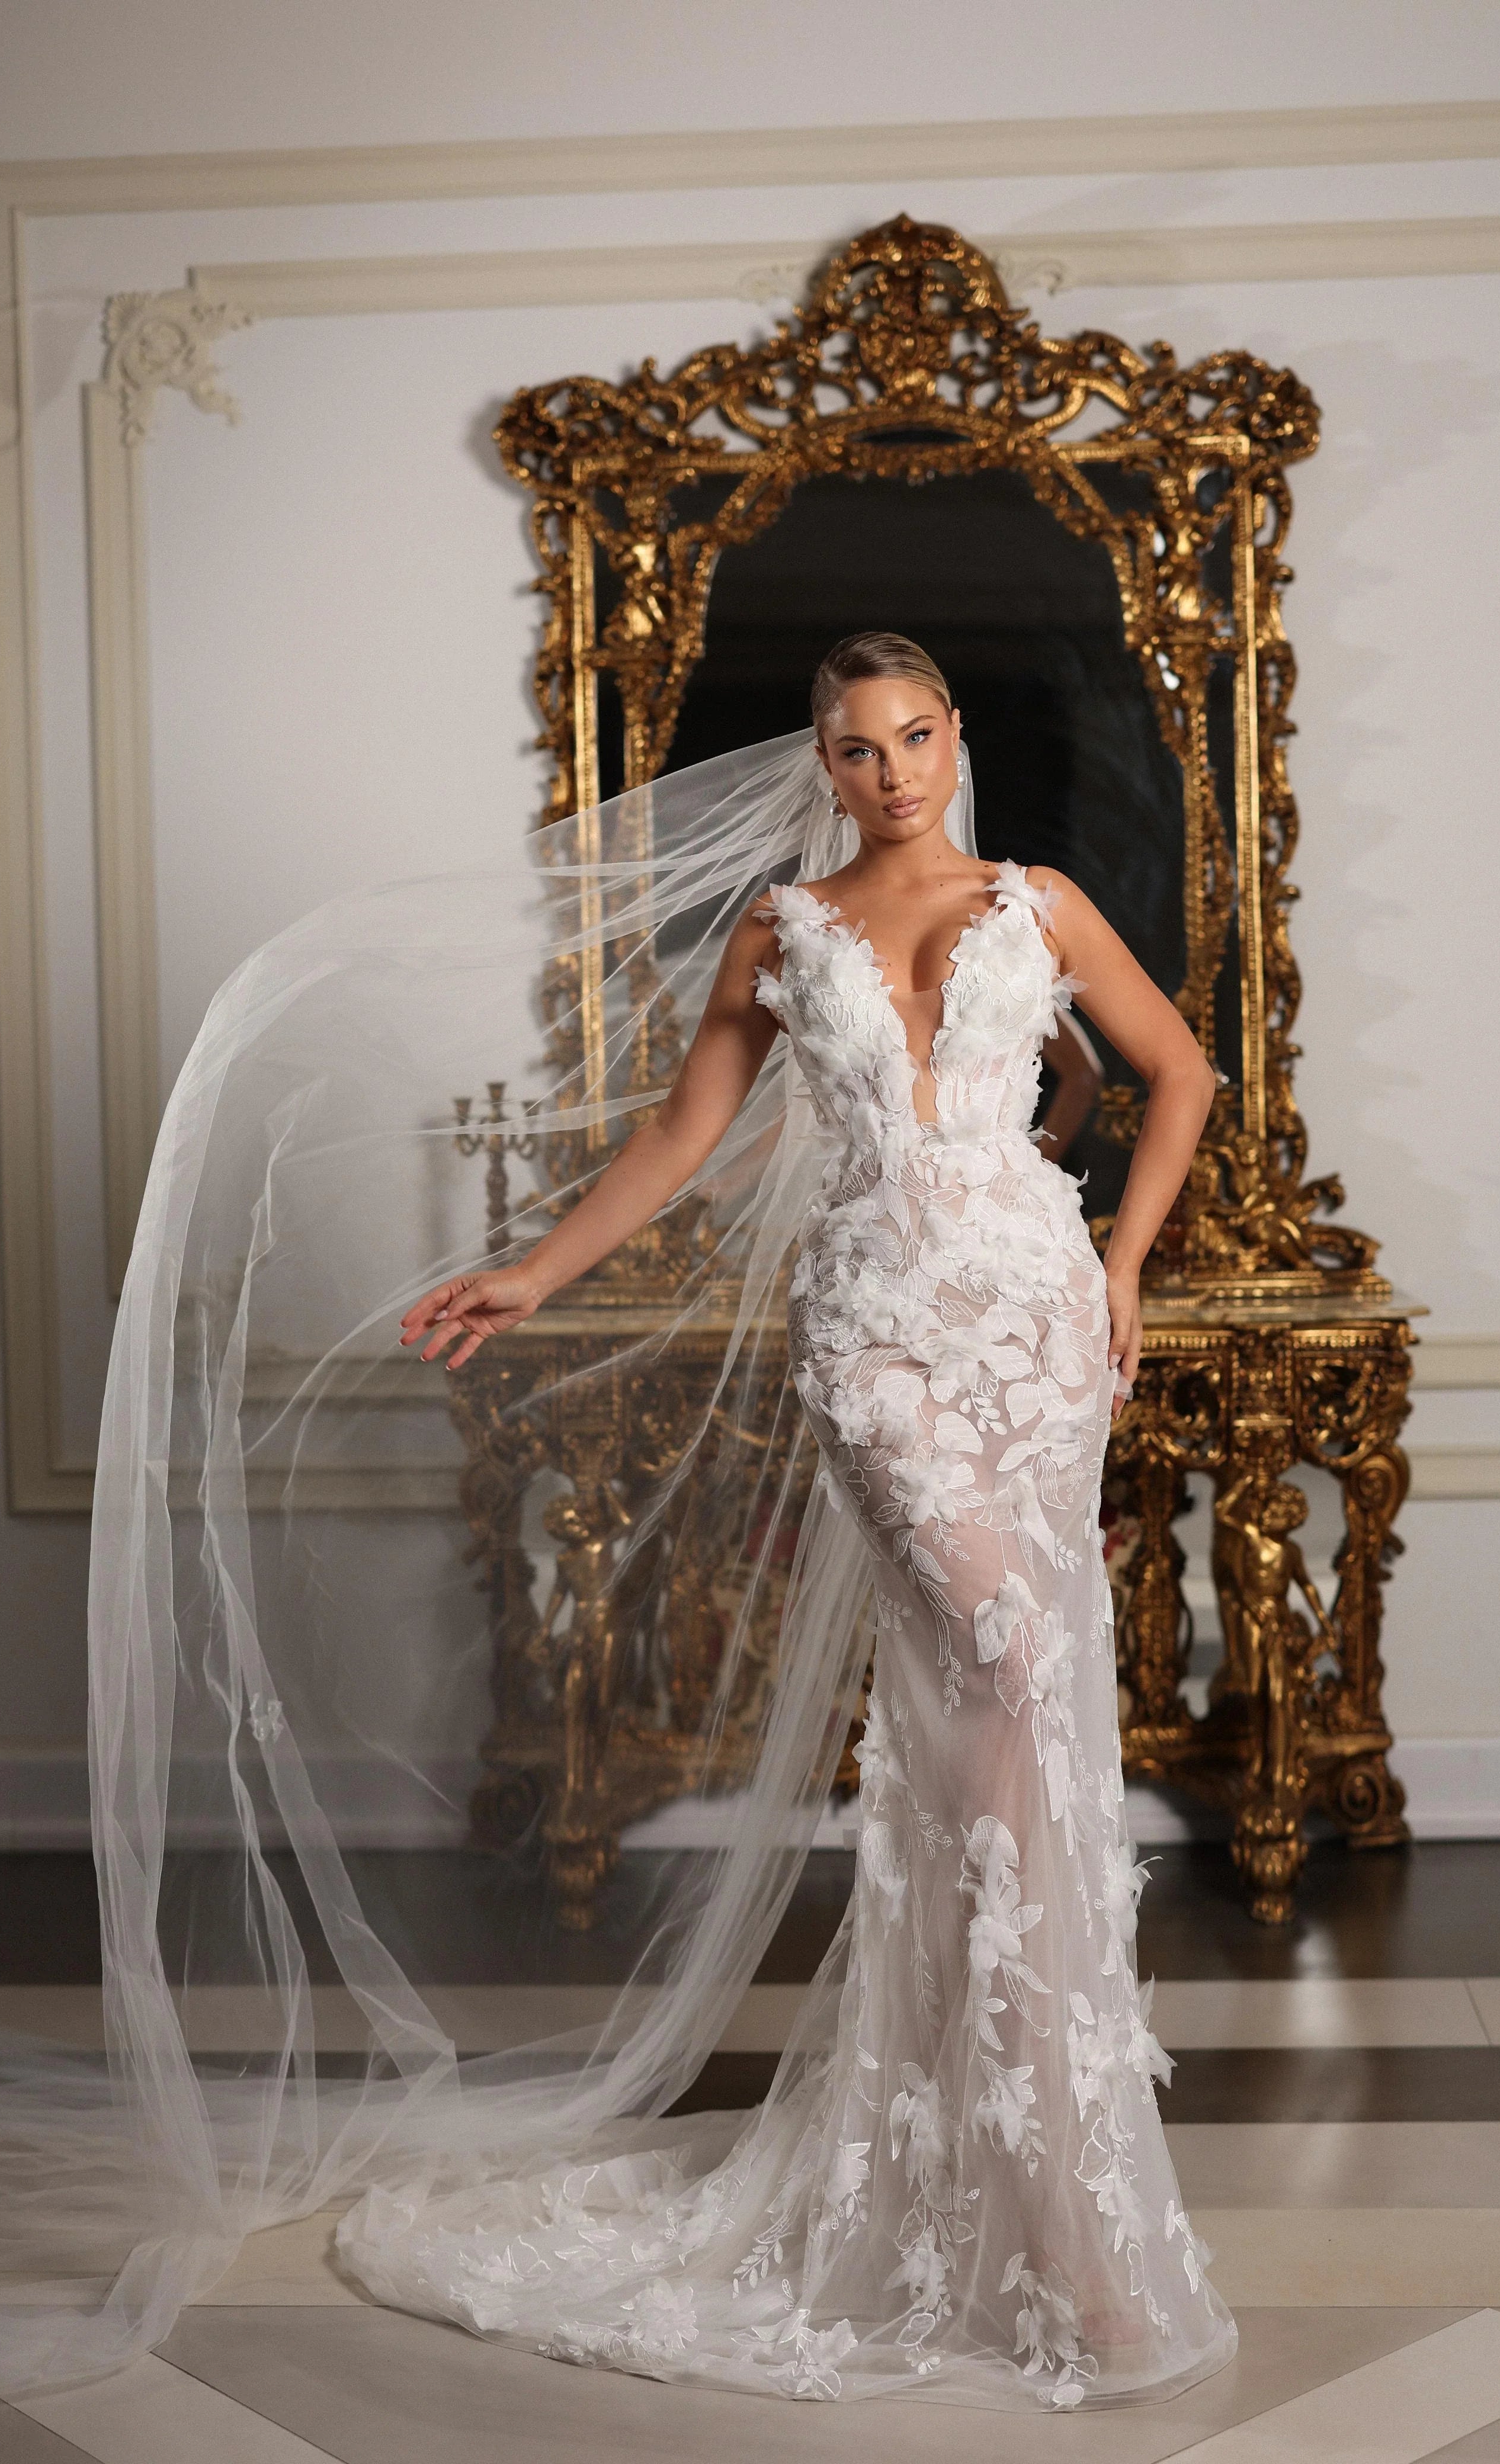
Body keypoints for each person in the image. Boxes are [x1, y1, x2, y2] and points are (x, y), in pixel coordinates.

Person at [365, 631, 1237, 2409]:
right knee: (1007, 1671)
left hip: (1037, 1327)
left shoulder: (1040, 903)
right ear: (821, 764)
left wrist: (1127, 1268)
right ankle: (1057, 2214)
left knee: (1015, 1723)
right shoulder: (781, 928)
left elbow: (1182, 1077)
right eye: (858, 746)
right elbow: (685, 1135)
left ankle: (1025, 2175)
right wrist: (532, 1271)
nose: (893, 768)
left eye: (917, 735)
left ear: (956, 739)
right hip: (877, 1342)